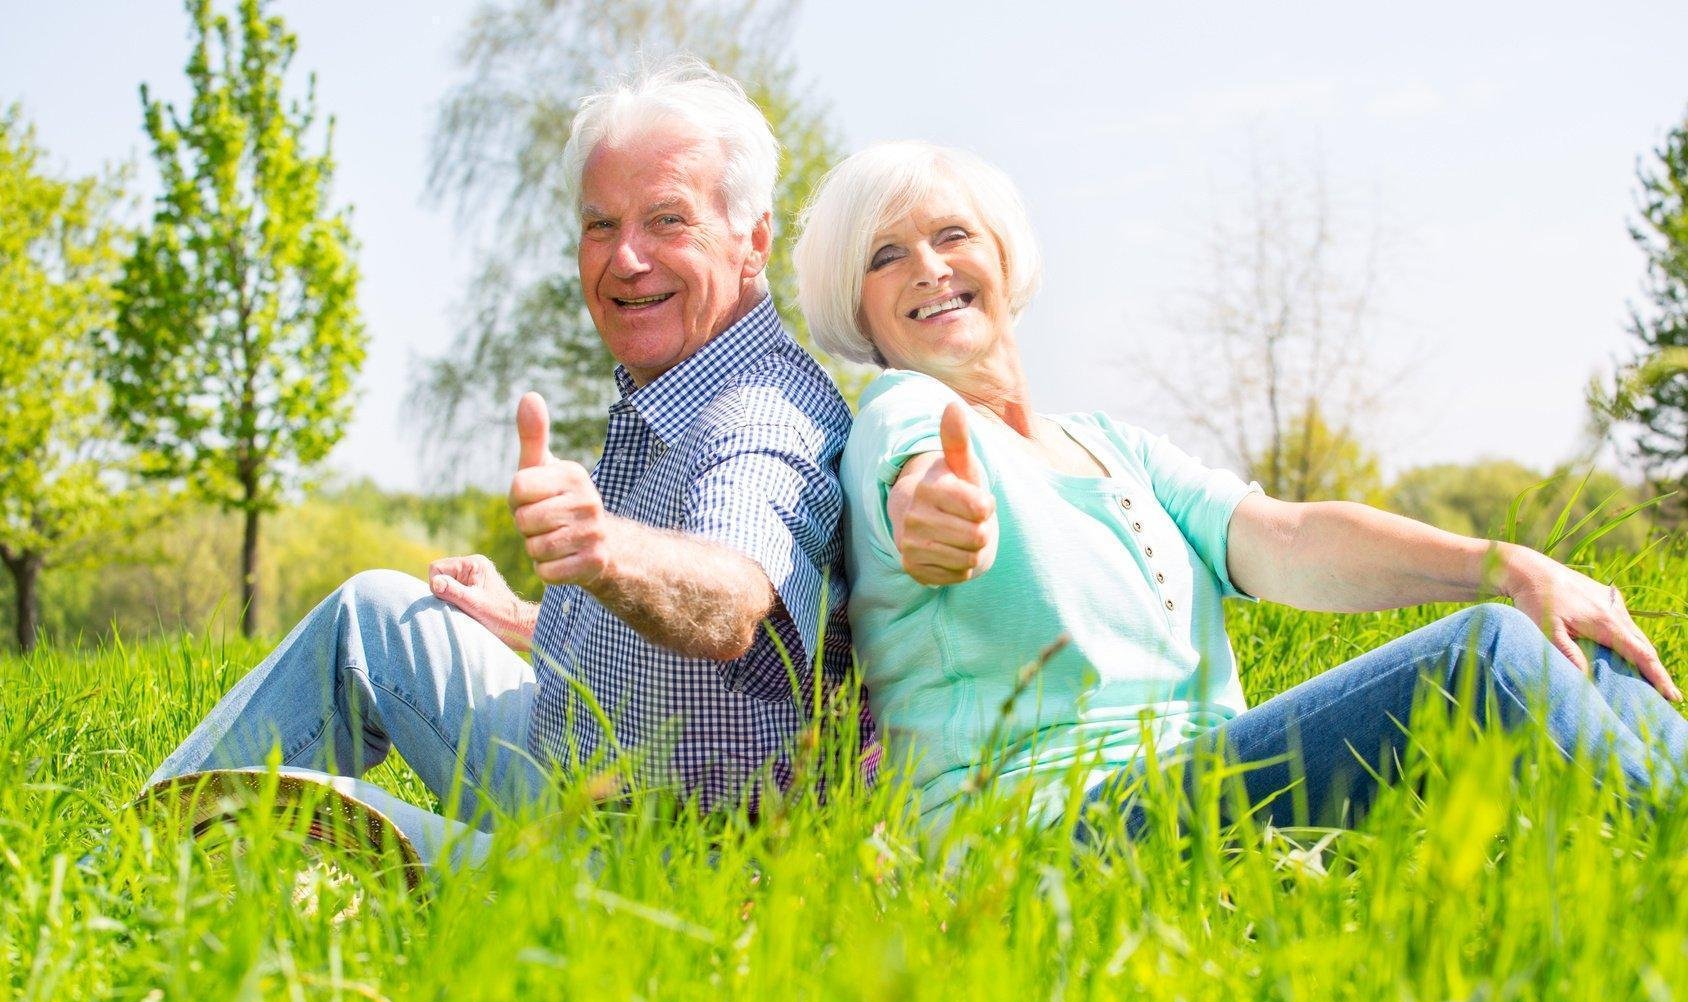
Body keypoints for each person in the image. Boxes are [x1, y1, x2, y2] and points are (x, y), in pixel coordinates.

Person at [792, 140, 1687, 837]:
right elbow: (917, 483)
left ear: (1002, 253)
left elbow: (1289, 539)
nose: (928, 266)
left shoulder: (1112, 447)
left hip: (1199, 779)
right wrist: (936, 519)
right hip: (1040, 827)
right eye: (886, 256)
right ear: (857, 305)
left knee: (1564, 631)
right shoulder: (904, 409)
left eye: (951, 235)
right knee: (1482, 657)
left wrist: (1512, 565)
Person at [142, 59, 862, 867]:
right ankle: (127, 855)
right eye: (600, 225)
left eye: (667, 220)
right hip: (577, 762)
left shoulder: (761, 415)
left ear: (752, 241)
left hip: (653, 859)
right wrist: (532, 618)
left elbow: (734, 601)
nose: (626, 258)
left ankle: (140, 873)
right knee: (374, 613)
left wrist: (602, 550)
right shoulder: (679, 380)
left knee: (297, 816)